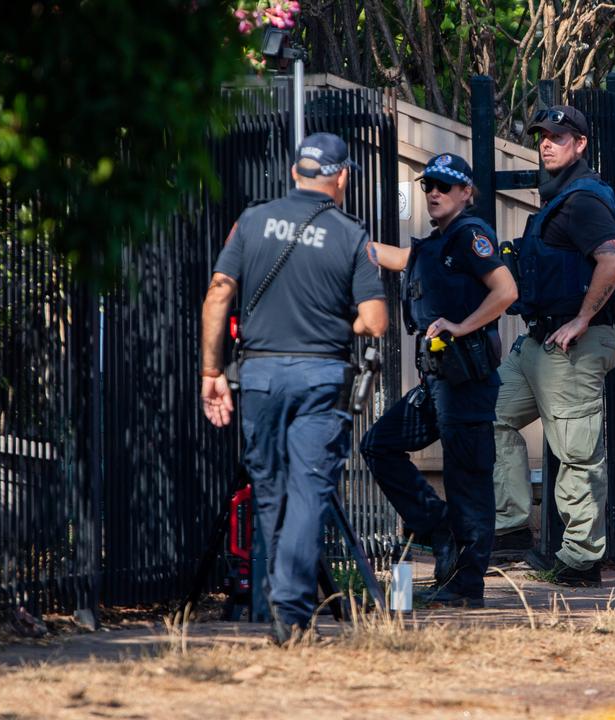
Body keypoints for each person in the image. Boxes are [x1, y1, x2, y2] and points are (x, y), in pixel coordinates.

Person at [200, 132, 388, 642]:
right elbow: (374, 320)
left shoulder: (253, 220)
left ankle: (284, 602)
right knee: (309, 490)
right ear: (342, 176)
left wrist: (211, 372)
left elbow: (219, 294)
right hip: (320, 377)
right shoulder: (351, 234)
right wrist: (335, 324)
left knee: (271, 491)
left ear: (294, 173)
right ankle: (291, 612)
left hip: (258, 376)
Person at [359, 153, 517, 608]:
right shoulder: (437, 243)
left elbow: (506, 291)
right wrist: (343, 239)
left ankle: (467, 586)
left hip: (465, 383)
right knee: (379, 444)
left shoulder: (471, 235)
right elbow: (397, 257)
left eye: (444, 186)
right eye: (428, 185)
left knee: (468, 480)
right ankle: (438, 525)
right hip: (436, 382)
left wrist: (463, 326)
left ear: (466, 192)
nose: (433, 193)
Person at [493, 105, 615, 588]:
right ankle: (508, 528)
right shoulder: (560, 197)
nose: (547, 143)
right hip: (539, 341)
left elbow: (613, 259)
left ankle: (580, 559)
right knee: (493, 414)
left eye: (558, 136)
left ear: (581, 143)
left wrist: (583, 318)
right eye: (542, 136)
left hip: (575, 344)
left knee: (575, 450)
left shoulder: (584, 200)